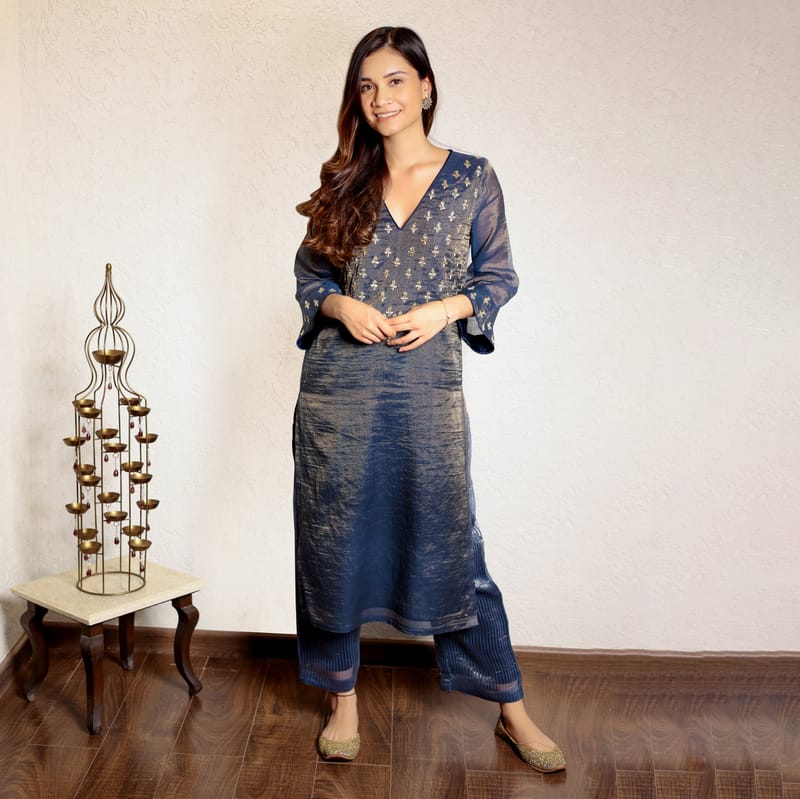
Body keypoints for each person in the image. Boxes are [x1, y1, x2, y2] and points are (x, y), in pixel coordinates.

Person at [292, 26, 565, 773]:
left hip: (426, 392)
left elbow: (498, 277)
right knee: (333, 543)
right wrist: (340, 306)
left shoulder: (472, 178)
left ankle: (510, 705)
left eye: (394, 82)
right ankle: (341, 696)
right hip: (339, 393)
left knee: (453, 546)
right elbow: (311, 278)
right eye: (366, 86)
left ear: (425, 87)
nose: (380, 99)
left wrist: (446, 308)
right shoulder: (344, 182)